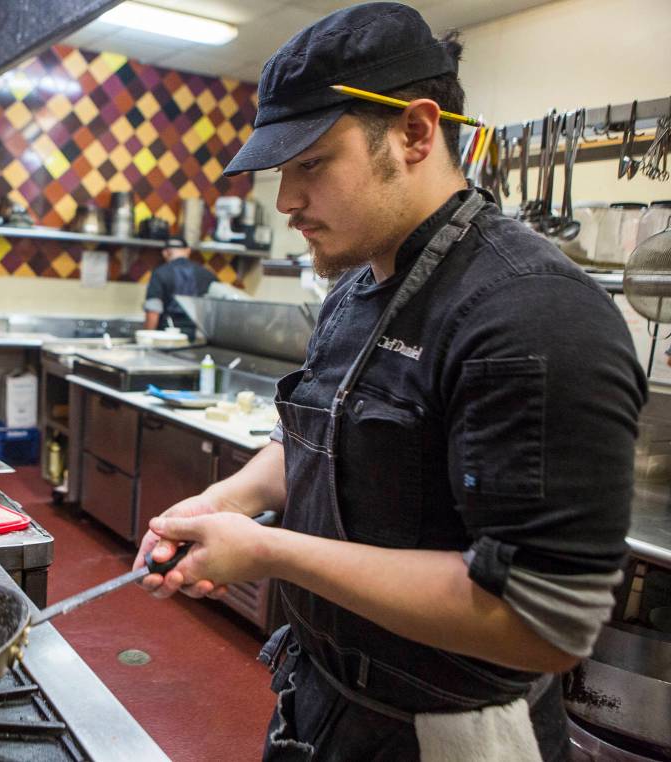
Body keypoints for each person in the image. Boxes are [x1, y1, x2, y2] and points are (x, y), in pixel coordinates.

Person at [133, 4, 646, 760]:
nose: (287, 203)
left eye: (312, 163)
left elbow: (546, 621)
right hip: (325, 701)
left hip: (450, 735)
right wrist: (227, 498)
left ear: (414, 131)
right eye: (284, 171)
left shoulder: (531, 315)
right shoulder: (356, 283)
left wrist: (270, 553)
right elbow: (320, 432)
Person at [142, 236, 217, 340]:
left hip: (168, 335)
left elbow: (153, 310)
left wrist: (147, 338)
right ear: (188, 251)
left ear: (165, 253)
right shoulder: (207, 274)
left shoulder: (160, 273)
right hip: (199, 336)